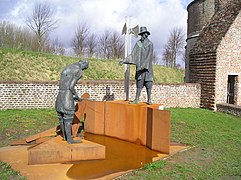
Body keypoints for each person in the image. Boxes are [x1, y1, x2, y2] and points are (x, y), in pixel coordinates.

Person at [55, 60, 89, 144]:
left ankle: (65, 137)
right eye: (85, 68)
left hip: (60, 96)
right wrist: (77, 97)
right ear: (83, 64)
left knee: (61, 118)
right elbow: (71, 86)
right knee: (68, 118)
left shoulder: (67, 68)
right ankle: (69, 140)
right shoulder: (78, 70)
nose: (83, 70)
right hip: (67, 96)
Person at [120, 26, 154, 104]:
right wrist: (124, 61)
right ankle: (136, 99)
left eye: (143, 34)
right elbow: (133, 55)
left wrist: (144, 66)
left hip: (147, 69)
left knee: (148, 84)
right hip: (139, 69)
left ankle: (149, 99)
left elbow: (149, 57)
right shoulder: (138, 44)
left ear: (146, 34)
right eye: (141, 34)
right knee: (139, 84)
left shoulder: (150, 44)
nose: (141, 36)